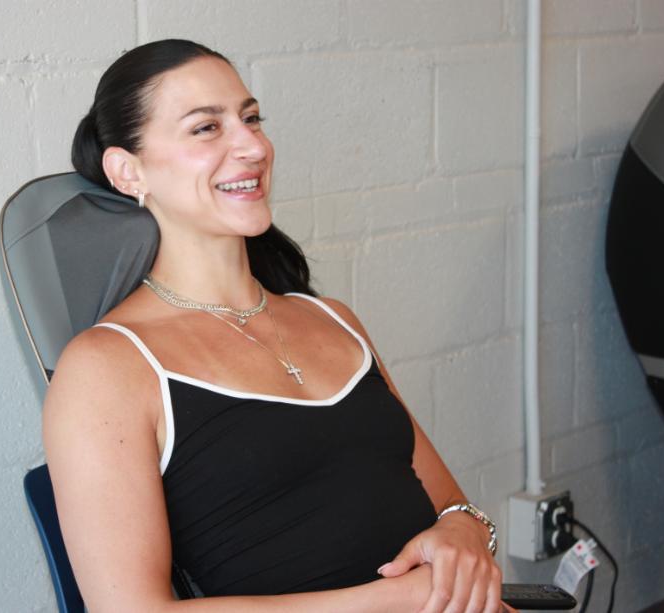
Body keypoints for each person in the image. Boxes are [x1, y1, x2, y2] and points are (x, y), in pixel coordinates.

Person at [43, 39, 508, 612]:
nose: (253, 146)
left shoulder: (334, 320)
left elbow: (451, 506)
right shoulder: (107, 366)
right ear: (128, 171)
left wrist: (463, 533)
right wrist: (396, 599)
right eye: (206, 129)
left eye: (251, 118)